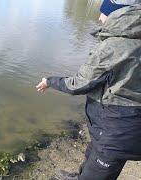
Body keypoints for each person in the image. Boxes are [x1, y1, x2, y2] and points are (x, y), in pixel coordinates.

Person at [36, 0, 141, 179]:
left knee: (100, 165)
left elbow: (79, 84)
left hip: (117, 131)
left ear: (119, 15)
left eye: (104, 13)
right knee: (93, 152)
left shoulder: (111, 47)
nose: (100, 19)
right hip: (123, 128)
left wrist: (50, 81)